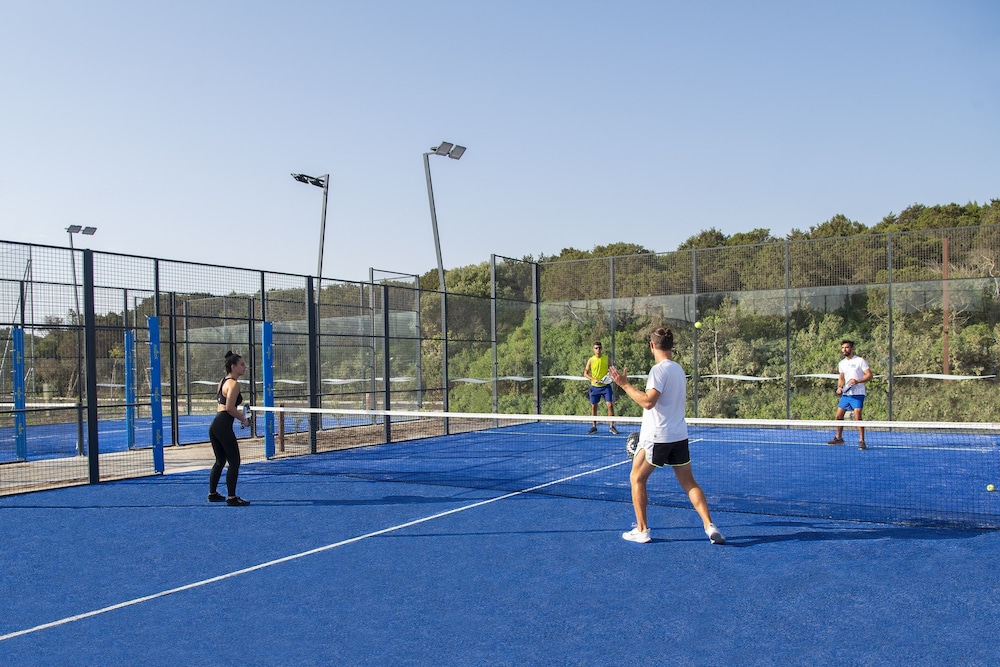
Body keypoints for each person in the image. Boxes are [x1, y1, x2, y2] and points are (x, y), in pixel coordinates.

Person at [608, 327, 724, 545]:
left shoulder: (658, 371)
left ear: (652, 345)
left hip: (657, 437)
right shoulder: (678, 369)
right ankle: (710, 526)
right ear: (672, 346)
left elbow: (648, 402)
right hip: (678, 436)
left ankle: (642, 530)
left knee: (636, 478)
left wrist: (624, 384)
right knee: (689, 482)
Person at [208, 350, 250, 506]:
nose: (244, 367)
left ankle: (212, 494)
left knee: (220, 461)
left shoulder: (222, 382)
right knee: (234, 461)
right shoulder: (234, 384)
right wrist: (244, 419)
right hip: (223, 425)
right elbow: (230, 408)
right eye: (242, 364)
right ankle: (232, 498)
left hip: (216, 424)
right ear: (233, 366)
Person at [827, 339, 874, 450]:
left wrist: (857, 381)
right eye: (843, 348)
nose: (844, 350)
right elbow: (841, 378)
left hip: (858, 394)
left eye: (847, 347)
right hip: (846, 395)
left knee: (857, 416)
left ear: (852, 348)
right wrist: (839, 387)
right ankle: (839, 438)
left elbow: (869, 375)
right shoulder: (842, 363)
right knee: (838, 416)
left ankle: (862, 441)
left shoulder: (860, 361)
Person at [583, 341, 618, 434]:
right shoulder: (591, 360)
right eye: (596, 348)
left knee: (610, 405)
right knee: (594, 406)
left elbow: (612, 370)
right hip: (594, 388)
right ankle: (594, 426)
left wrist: (610, 377)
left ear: (602, 349)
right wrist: (593, 379)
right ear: (593, 349)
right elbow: (585, 373)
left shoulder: (606, 358)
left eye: (599, 348)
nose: (598, 350)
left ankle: (612, 426)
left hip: (606, 387)